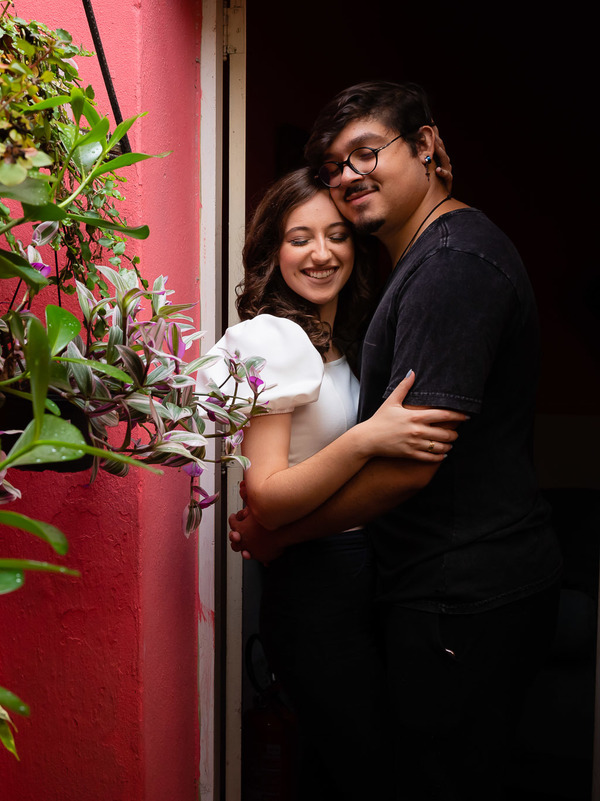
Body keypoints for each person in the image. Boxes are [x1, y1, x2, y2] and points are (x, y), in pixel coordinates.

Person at [230, 81, 563, 800]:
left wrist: (280, 531)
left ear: (429, 147)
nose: (348, 176)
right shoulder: (409, 272)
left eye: (365, 153)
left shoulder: (451, 265)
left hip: (464, 588)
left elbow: (412, 465)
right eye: (333, 167)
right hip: (410, 588)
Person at [207, 168, 464, 800]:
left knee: (348, 766)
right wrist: (367, 438)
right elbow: (265, 491)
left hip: (360, 573)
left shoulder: (342, 339)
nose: (322, 254)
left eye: (337, 236)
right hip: (316, 586)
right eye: (300, 238)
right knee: (367, 769)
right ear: (271, 251)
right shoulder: (273, 339)